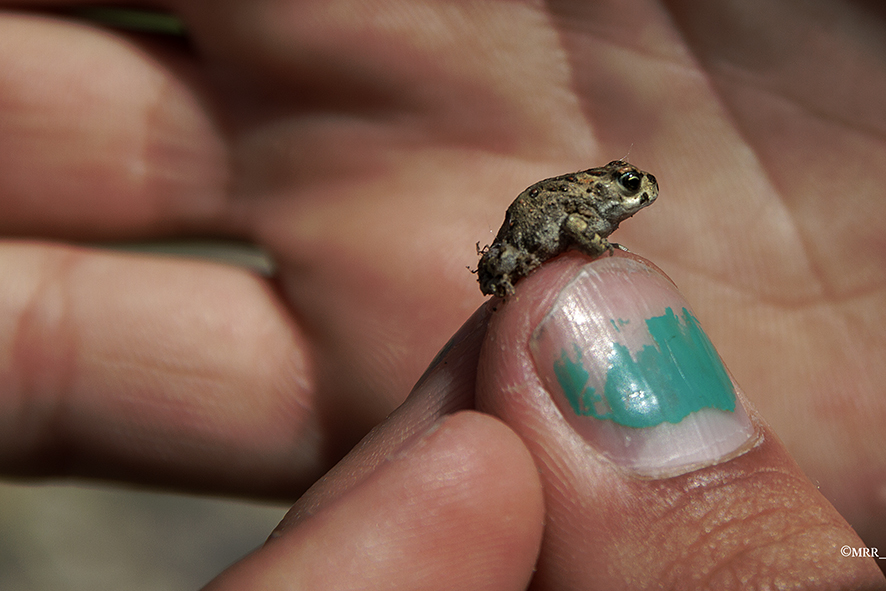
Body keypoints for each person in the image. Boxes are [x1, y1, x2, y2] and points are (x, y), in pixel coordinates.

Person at [0, 1, 883, 587]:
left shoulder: (585, 198)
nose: (632, 196)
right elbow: (570, 233)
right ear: (610, 185)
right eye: (629, 185)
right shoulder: (583, 205)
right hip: (518, 247)